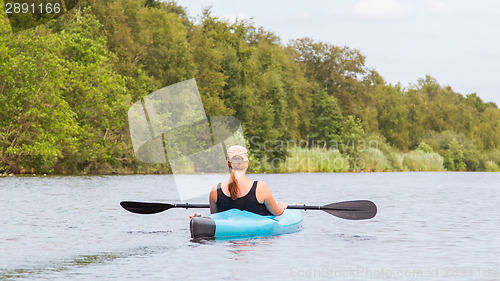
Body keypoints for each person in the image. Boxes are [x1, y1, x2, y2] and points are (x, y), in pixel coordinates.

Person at [208, 145, 288, 216]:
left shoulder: (215, 189)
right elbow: (277, 212)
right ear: (247, 164)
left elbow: (215, 218)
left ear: (228, 164)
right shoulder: (260, 187)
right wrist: (282, 206)